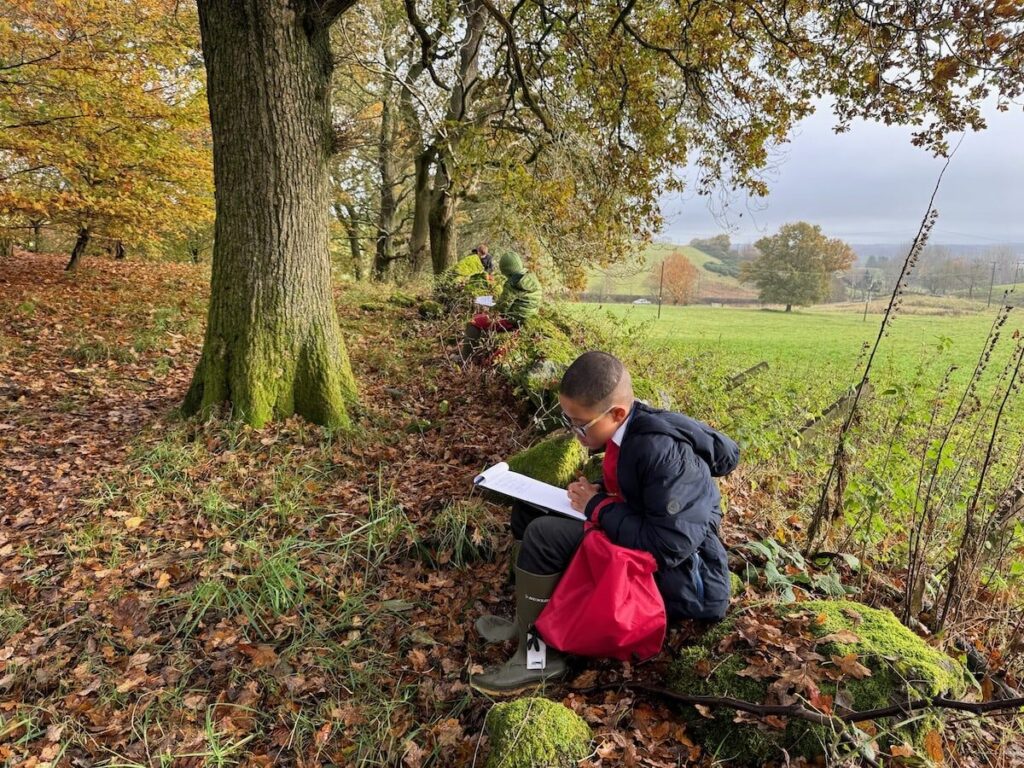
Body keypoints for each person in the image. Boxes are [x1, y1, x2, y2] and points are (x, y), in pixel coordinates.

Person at [471, 351, 739, 696]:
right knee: (529, 511)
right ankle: (530, 625)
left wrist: (597, 505)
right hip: (653, 546)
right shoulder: (630, 432)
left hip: (683, 581)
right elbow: (645, 501)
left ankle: (540, 660)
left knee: (545, 535)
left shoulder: (661, 452)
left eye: (579, 424)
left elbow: (668, 546)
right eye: (566, 420)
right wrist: (601, 493)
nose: (573, 433)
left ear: (616, 413)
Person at [460, 251, 541, 360]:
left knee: (474, 322)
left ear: (506, 271)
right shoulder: (531, 278)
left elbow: (501, 308)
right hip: (528, 318)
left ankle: (465, 359)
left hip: (513, 321)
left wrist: (489, 306)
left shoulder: (513, 283)